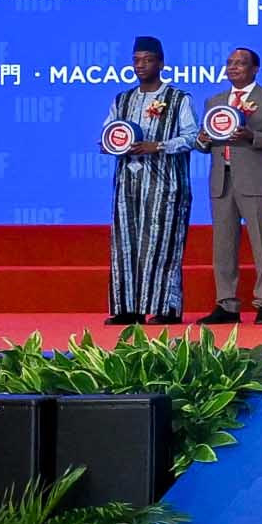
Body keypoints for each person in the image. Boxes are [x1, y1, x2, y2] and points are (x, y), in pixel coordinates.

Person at [198, 44, 262, 325]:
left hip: (257, 182)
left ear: (255, 69)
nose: (233, 67)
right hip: (222, 181)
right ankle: (226, 305)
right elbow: (204, 142)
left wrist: (253, 136)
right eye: (229, 63)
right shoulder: (215, 102)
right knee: (223, 247)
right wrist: (202, 140)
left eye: (240, 63)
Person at [101, 35, 195, 326]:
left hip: (166, 185)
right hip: (128, 185)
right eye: (136, 60)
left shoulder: (178, 99)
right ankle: (129, 308)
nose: (140, 65)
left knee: (162, 245)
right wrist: (108, 144)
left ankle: (167, 308)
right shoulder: (122, 99)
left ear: (161, 63)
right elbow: (109, 133)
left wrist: (159, 146)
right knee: (125, 245)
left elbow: (192, 137)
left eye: (147, 60)